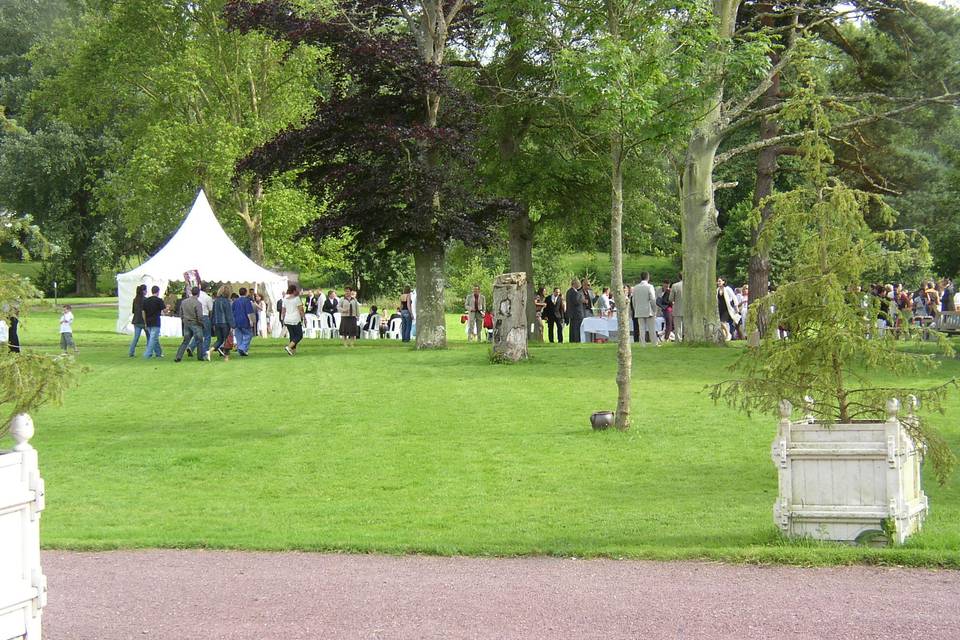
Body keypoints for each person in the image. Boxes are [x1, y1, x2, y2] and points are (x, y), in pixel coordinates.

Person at [175, 287, 204, 362]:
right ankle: (200, 357)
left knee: (185, 340)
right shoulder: (198, 303)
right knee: (199, 340)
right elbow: (200, 315)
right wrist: (201, 323)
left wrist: (183, 320)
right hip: (195, 323)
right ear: (198, 293)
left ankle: (178, 356)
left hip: (186, 323)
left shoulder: (184, 302)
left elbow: (181, 313)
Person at [631, 272, 659, 346]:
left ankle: (643, 344)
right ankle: (654, 343)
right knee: (651, 328)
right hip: (648, 310)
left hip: (639, 310)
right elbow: (653, 299)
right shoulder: (650, 287)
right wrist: (655, 310)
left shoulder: (636, 287)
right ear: (648, 277)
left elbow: (633, 300)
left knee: (641, 328)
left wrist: (635, 309)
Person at [212, 285, 235, 359]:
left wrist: (213, 323)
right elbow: (229, 314)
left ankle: (209, 351)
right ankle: (226, 357)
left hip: (217, 323)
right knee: (227, 340)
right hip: (225, 323)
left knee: (219, 340)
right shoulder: (226, 301)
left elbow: (213, 313)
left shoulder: (216, 301)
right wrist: (233, 324)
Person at [281, 284, 305, 355]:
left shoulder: (285, 299)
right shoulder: (297, 299)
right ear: (294, 291)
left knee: (292, 335)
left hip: (287, 319)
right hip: (295, 319)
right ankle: (289, 347)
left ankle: (293, 351)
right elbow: (301, 310)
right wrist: (304, 317)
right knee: (299, 335)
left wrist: (283, 318)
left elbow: (283, 311)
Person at [142, 285, 166, 359]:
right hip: (156, 322)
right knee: (153, 339)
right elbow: (163, 310)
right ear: (158, 292)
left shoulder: (146, 300)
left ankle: (159, 353)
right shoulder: (159, 300)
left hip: (148, 321)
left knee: (154, 338)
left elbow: (143, 312)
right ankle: (147, 354)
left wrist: (145, 322)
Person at [232, 287, 256, 356]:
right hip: (245, 320)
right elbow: (248, 312)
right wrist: (251, 321)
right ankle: (242, 348)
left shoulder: (235, 301)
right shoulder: (247, 301)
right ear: (246, 292)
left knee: (238, 336)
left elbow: (232, 312)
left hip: (236, 321)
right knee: (249, 335)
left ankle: (241, 350)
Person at [128, 284, 148, 357]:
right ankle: (148, 352)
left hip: (136, 320)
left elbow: (133, 311)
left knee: (136, 338)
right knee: (149, 337)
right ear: (143, 291)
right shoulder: (145, 300)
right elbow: (145, 311)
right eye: (146, 290)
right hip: (143, 321)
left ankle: (131, 352)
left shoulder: (135, 300)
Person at [565, 278, 584, 343]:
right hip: (576, 313)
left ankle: (572, 340)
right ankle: (576, 340)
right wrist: (582, 299)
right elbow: (576, 301)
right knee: (576, 328)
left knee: (573, 328)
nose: (579, 284)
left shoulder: (569, 291)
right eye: (578, 283)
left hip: (572, 313)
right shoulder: (574, 292)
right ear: (574, 284)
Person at [669, 273, 683, 342]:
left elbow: (671, 298)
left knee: (678, 326)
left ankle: (678, 340)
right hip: (687, 309)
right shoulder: (690, 285)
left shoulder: (675, 286)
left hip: (677, 308)